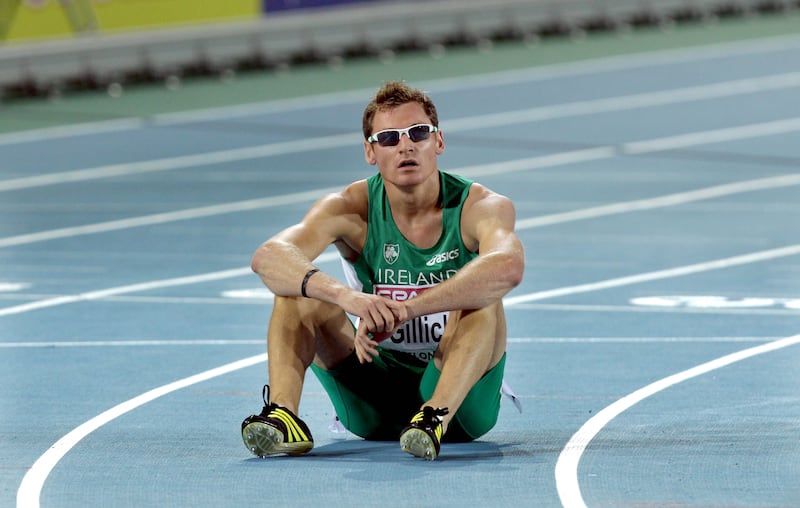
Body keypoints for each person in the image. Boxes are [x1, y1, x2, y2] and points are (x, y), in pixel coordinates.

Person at [241, 80, 525, 461]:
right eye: (389, 138)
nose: (406, 146)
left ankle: (432, 416)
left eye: (418, 133)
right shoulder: (349, 207)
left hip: (458, 403)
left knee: (483, 297)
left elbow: (508, 266)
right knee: (297, 292)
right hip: (376, 390)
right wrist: (347, 297)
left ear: (438, 142)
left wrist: (409, 309)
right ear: (370, 152)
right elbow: (269, 256)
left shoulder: (480, 205)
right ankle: (283, 415)